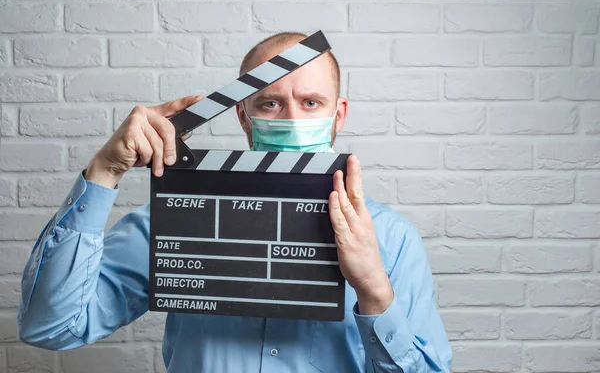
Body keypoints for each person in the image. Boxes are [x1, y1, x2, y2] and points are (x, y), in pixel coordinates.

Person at [16, 32, 452, 372]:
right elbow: (52, 326)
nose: (293, 119)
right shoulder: (175, 221)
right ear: (243, 116)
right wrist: (105, 171)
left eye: (311, 102)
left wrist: (374, 290)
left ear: (337, 115)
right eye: (271, 103)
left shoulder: (391, 239)